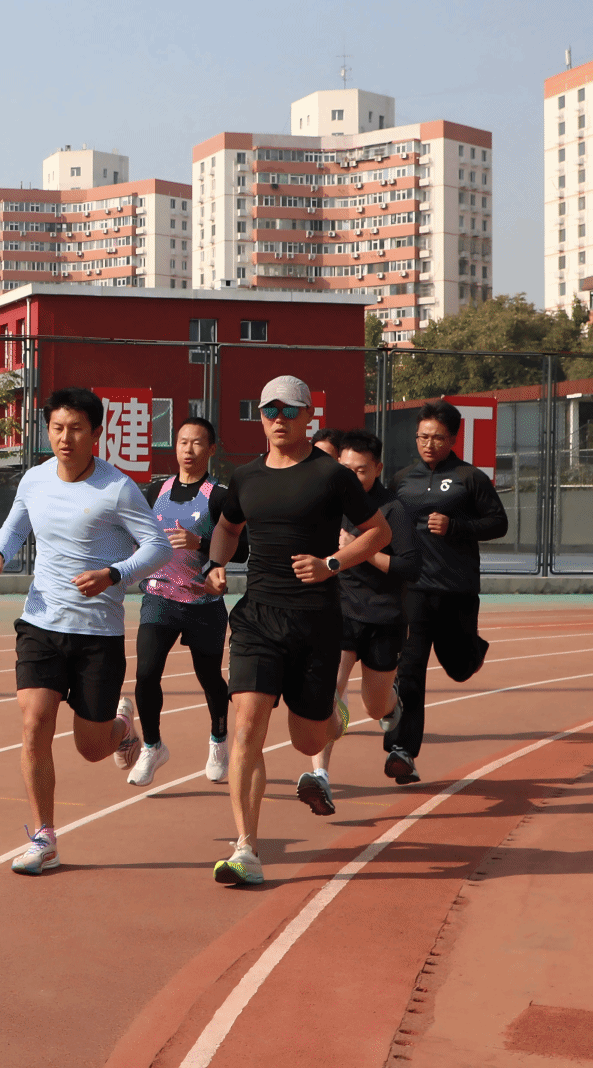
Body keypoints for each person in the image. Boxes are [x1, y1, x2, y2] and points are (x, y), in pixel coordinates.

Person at [202, 376, 393, 885]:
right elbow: (227, 526)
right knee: (247, 725)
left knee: (307, 736)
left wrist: (332, 563)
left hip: (315, 621)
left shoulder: (331, 475)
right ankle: (246, 848)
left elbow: (379, 532)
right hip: (257, 618)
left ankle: (332, 713)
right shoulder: (246, 477)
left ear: (309, 415)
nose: (278, 419)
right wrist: (215, 565)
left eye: (289, 410)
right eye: (269, 410)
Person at [0, 387, 172, 875]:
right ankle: (44, 836)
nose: (65, 438)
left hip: (96, 634)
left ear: (96, 433)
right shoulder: (35, 479)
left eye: (76, 429)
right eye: (57, 428)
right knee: (34, 723)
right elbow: (15, 526)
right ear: (48, 430)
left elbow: (157, 547)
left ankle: (122, 728)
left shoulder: (117, 488)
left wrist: (113, 574)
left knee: (90, 749)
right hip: (41, 622)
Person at [297, 429, 421, 815]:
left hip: (384, 618)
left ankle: (392, 704)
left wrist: (359, 551)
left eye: (361, 470)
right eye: (345, 469)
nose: (352, 477)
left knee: (374, 706)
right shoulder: (330, 503)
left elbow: (409, 567)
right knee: (328, 691)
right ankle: (320, 776)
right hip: (340, 611)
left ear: (378, 468)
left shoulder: (394, 510)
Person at [389, 402, 508, 784]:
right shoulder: (402, 479)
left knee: (459, 667)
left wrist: (456, 525)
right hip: (414, 590)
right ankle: (402, 750)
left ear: (453, 439)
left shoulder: (469, 478)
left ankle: (474, 651)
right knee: (409, 669)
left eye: (437, 437)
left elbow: (498, 523)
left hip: (457, 590)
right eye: (423, 436)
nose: (429, 444)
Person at [127, 416, 237, 787]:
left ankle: (218, 740)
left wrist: (200, 543)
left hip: (203, 603)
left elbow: (241, 549)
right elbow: (139, 536)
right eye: (182, 442)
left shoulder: (219, 496)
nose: (188, 449)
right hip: (159, 596)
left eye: (197, 442)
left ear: (211, 449)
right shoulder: (155, 490)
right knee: (146, 673)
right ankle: (152, 746)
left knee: (210, 678)